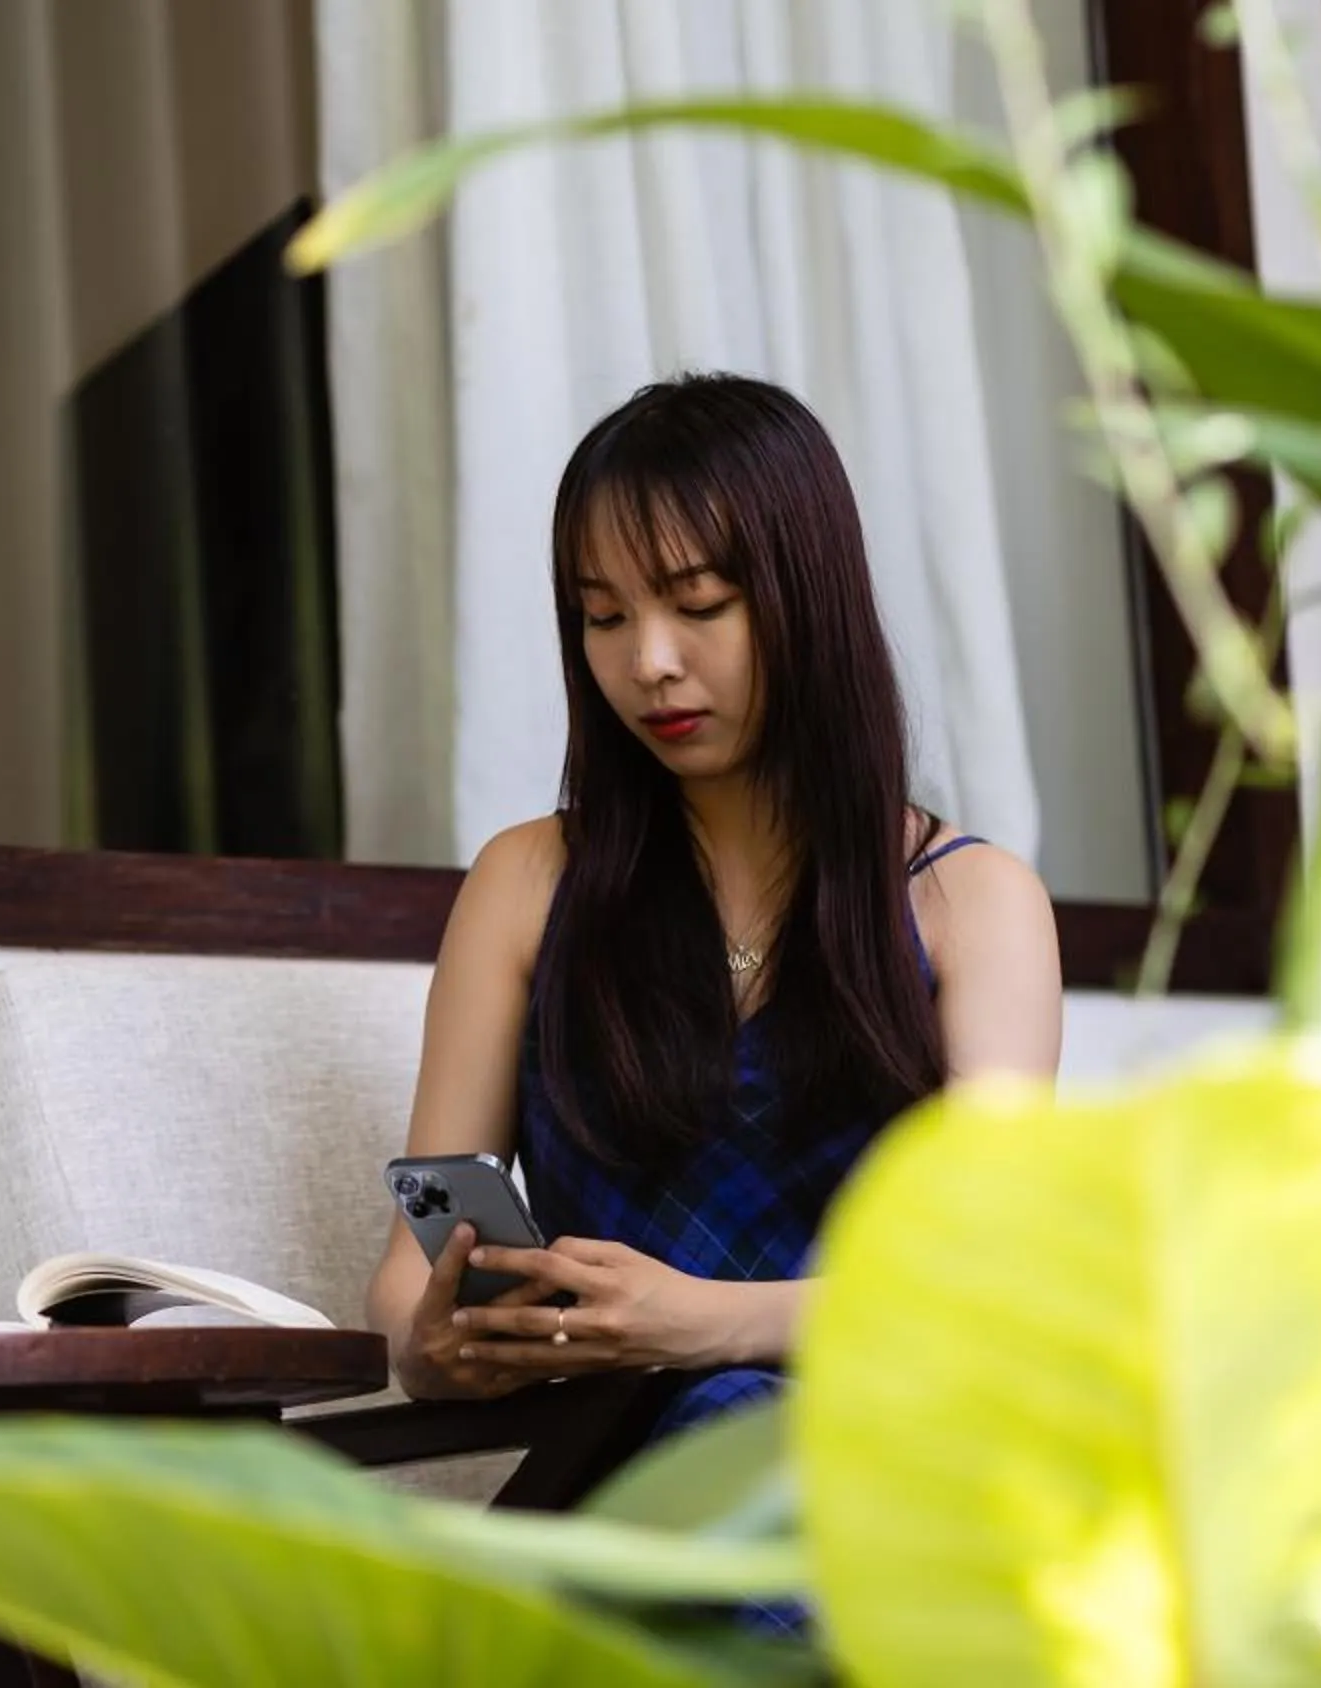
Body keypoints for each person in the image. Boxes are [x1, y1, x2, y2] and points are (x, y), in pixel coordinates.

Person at [364, 372, 1065, 1455]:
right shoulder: (525, 883)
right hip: (623, 1467)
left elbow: (987, 1285)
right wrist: (432, 1345)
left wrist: (703, 1322)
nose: (648, 662)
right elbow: (408, 1278)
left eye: (698, 606)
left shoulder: (972, 901)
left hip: (886, 1458)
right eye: (604, 616)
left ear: (807, 598)